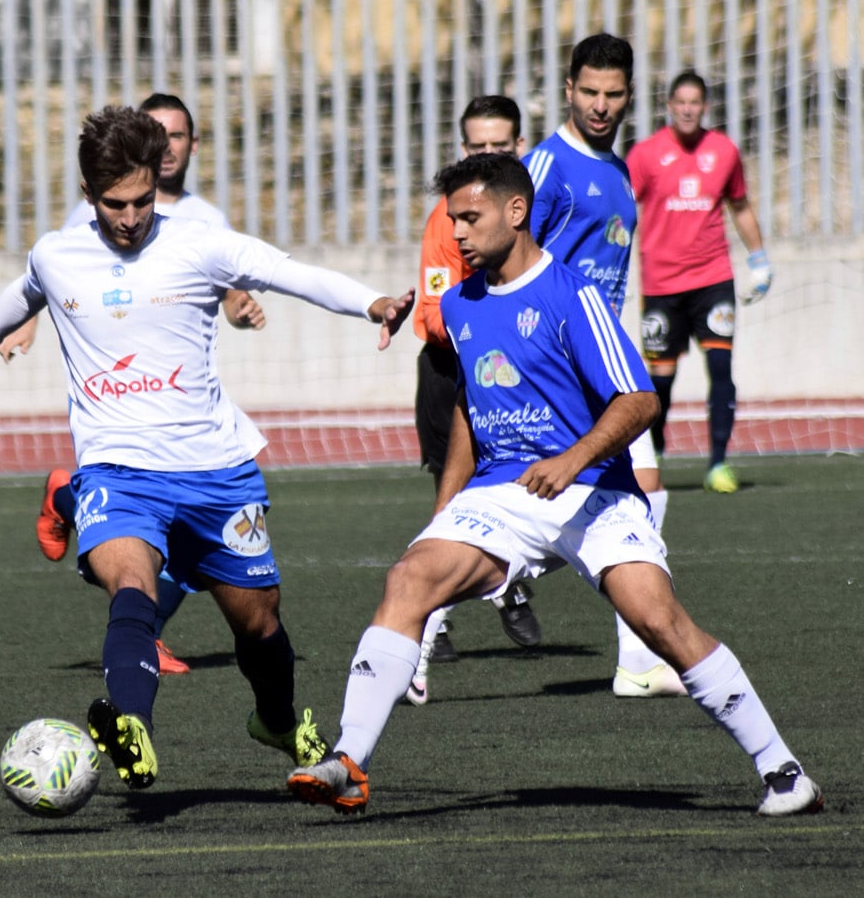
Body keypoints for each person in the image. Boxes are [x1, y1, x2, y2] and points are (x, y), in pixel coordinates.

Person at [287, 153, 822, 819]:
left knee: (658, 621)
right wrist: (447, 506)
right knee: (407, 580)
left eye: (469, 218)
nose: (456, 232)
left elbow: (638, 401)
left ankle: (783, 771)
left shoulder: (572, 295)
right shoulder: (459, 303)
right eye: (451, 218)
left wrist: (570, 461)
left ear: (517, 213)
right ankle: (348, 761)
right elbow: (466, 408)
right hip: (501, 495)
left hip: (594, 491)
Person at [0, 105, 415, 790]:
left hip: (216, 471)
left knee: (260, 624)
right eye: (113, 205)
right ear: (88, 197)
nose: (129, 217)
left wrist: (372, 303)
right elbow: (24, 293)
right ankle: (133, 726)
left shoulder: (200, 244)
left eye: (140, 201)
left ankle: (276, 721)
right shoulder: (58, 253)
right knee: (132, 585)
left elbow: (291, 272)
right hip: (120, 468)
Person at [17, 92, 266, 677]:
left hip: (185, 387)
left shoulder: (205, 220)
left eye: (178, 135)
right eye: (160, 134)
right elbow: (52, 273)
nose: (170, 145)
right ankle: (144, 626)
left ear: (191, 145)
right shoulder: (103, 207)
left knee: (238, 479)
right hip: (123, 392)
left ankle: (72, 497)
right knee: (185, 501)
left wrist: (240, 308)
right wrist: (20, 325)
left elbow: (228, 288)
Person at [522, 33, 682, 698]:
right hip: (561, 360)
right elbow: (511, 251)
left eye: (613, 94)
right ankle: (440, 611)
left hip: (606, 359)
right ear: (568, 89)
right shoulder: (546, 164)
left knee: (643, 495)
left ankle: (638, 661)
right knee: (530, 507)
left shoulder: (618, 170)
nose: (600, 105)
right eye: (589, 92)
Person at [407, 95, 539, 705]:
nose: (488, 153)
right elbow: (435, 313)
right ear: (463, 150)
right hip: (452, 368)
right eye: (477, 145)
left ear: (518, 146)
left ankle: (507, 583)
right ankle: (434, 618)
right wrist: (481, 330)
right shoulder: (447, 219)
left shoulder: (533, 205)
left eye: (501, 144)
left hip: (518, 367)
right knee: (452, 490)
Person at [627, 70, 771, 495]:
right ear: (669, 106)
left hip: (713, 279)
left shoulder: (723, 151)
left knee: (721, 367)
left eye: (696, 102)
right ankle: (653, 458)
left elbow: (740, 206)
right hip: (662, 284)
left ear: (704, 107)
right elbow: (621, 211)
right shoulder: (645, 155)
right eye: (681, 102)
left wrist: (759, 259)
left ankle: (718, 464)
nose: (688, 109)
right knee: (662, 380)